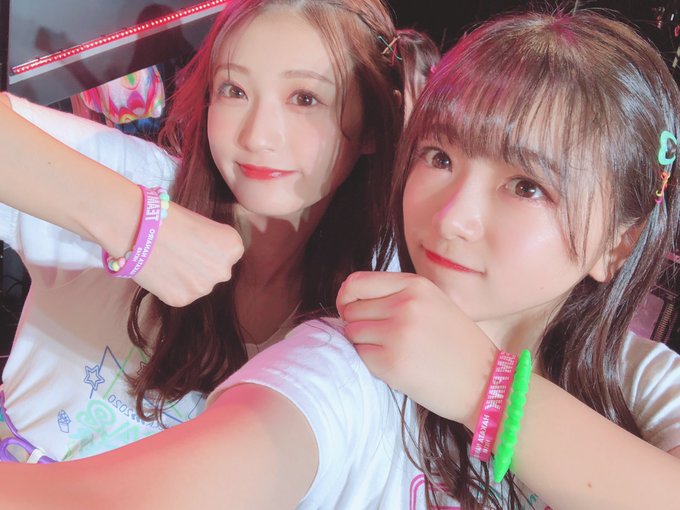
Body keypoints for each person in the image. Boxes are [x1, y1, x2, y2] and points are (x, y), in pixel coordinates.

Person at [3, 8, 679, 509]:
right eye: (440, 157)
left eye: (527, 186)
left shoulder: (640, 379)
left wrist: (483, 386)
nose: (452, 218)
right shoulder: (349, 357)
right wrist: (134, 222)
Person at [0, 0, 407, 462]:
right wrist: (135, 224)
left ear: (374, 123)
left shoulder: (375, 296)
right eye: (234, 90)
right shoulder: (140, 182)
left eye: (305, 99)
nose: (257, 136)